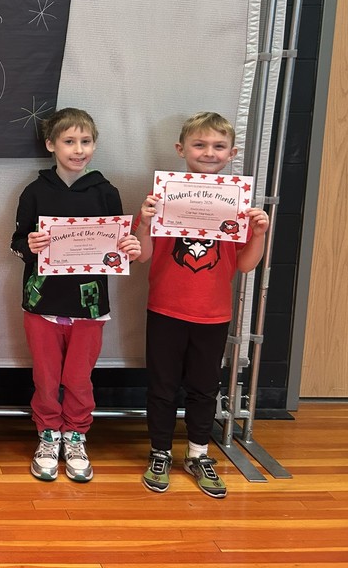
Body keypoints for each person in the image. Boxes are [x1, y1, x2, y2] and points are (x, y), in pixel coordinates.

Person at [135, 111, 270, 499]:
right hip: (165, 309)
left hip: (213, 313)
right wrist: (143, 223)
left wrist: (259, 233)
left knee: (204, 388)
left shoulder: (237, 205)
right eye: (199, 144)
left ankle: (197, 454)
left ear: (232, 153)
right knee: (161, 387)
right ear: (181, 149)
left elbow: (244, 264)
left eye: (218, 146)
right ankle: (159, 452)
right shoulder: (162, 197)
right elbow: (141, 256)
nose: (209, 152)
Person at [10, 108, 141, 483]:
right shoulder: (34, 192)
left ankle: (77, 434)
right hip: (42, 306)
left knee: (80, 378)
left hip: (89, 307)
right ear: (51, 145)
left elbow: (117, 246)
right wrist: (29, 244)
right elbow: (17, 242)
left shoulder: (106, 192)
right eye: (69, 141)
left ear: (94, 145)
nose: (78, 149)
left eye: (85, 141)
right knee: (47, 377)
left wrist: (129, 246)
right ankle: (48, 434)